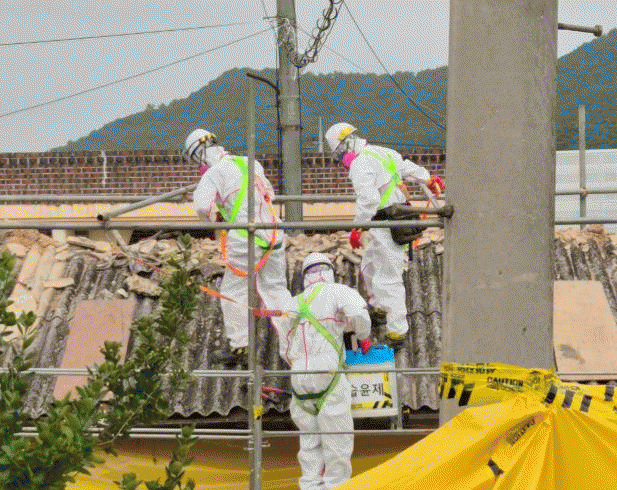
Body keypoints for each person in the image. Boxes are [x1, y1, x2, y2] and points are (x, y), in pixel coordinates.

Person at [324, 122, 445, 345]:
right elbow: (406, 167)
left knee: (388, 279)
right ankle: (379, 309)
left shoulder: (359, 164)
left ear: (343, 149)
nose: (341, 162)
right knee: (369, 266)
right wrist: (428, 179)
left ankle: (397, 332)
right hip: (391, 221)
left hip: (385, 224)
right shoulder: (382, 152)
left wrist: (358, 227)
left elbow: (369, 200)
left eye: (339, 156)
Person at [184, 128, 291, 364]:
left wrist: (215, 221)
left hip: (245, 238)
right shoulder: (250, 163)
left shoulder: (213, 174)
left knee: (234, 291)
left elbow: (202, 207)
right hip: (274, 234)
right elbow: (269, 195)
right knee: (276, 289)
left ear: (199, 154)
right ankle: (295, 337)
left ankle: (240, 346)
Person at [276, 252, 372, 490]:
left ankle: (309, 485)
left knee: (309, 442)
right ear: (329, 272)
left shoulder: (292, 303)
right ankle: (336, 486)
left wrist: (299, 364)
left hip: (300, 377)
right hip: (328, 374)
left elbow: (284, 347)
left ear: (305, 276)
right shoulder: (338, 291)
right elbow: (359, 313)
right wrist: (362, 334)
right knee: (337, 439)